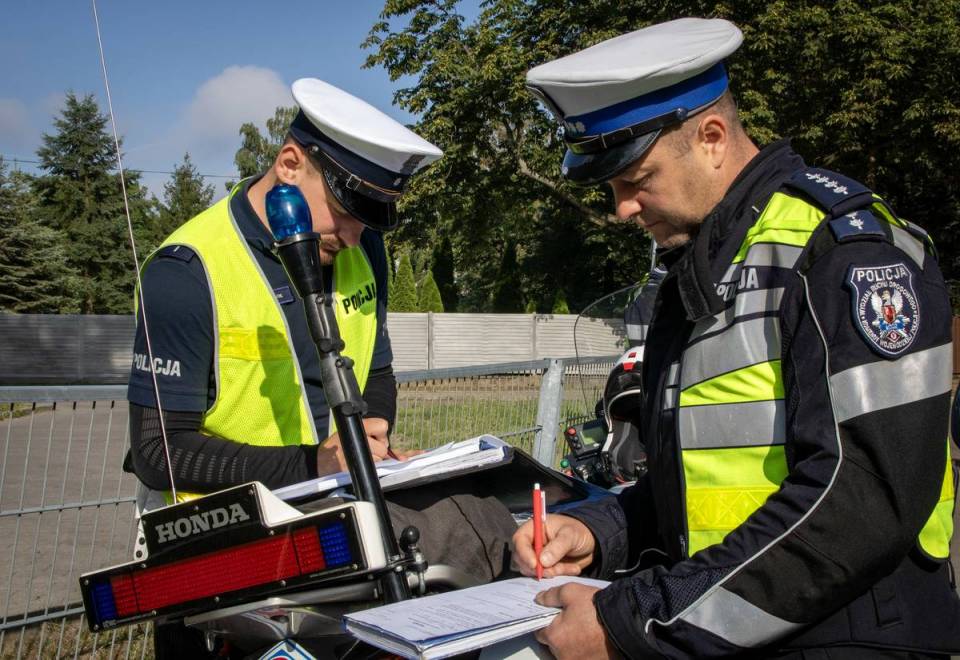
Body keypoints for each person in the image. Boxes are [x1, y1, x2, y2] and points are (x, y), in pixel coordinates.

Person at [514, 18, 959, 659]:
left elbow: (860, 498)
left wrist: (632, 623)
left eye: (636, 180)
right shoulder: (704, 268)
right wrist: (599, 531)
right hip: (735, 635)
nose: (622, 209)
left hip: (853, 636)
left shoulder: (845, 253)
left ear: (713, 139)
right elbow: (703, 485)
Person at [126, 78, 516, 656]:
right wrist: (314, 463)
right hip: (226, 566)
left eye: (371, 221)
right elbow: (159, 451)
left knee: (482, 523)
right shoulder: (185, 272)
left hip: (337, 530)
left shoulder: (362, 248)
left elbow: (375, 369)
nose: (356, 236)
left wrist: (372, 430)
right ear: (290, 164)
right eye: (344, 211)